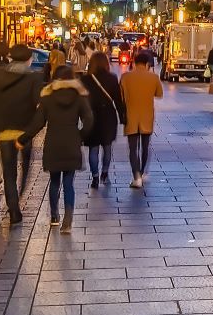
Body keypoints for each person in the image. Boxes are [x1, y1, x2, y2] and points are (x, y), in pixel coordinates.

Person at [0, 43, 43, 225]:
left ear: (11, 58)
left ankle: (13, 208)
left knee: (9, 172)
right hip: (24, 133)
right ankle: (19, 197)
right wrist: (31, 130)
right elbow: (39, 105)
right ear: (29, 59)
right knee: (26, 168)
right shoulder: (34, 78)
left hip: (4, 132)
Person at [31, 70, 92, 231]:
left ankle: (54, 216)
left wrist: (22, 139)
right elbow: (89, 120)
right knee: (68, 183)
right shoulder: (79, 97)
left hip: (53, 143)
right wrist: (80, 136)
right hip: (71, 143)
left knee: (54, 181)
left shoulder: (47, 98)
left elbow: (38, 123)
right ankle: (68, 220)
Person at [82, 45, 125, 187]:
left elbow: (81, 100)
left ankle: (94, 177)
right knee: (107, 147)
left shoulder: (86, 79)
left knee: (93, 148)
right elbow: (118, 100)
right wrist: (123, 117)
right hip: (108, 116)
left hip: (91, 116)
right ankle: (105, 174)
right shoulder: (112, 78)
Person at [122, 48, 163, 186]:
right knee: (145, 147)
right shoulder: (153, 77)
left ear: (134, 62)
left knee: (133, 149)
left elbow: (121, 96)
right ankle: (142, 172)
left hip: (131, 116)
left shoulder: (126, 77)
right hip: (147, 116)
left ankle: (136, 177)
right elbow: (159, 94)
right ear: (147, 64)